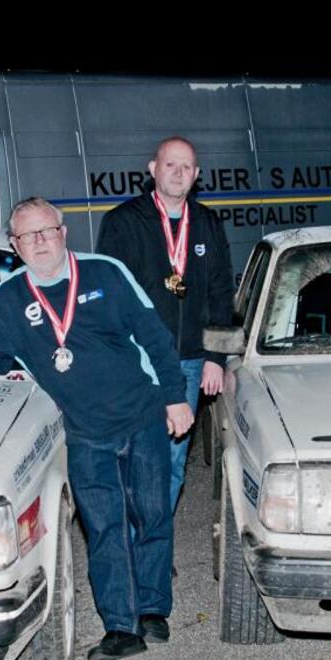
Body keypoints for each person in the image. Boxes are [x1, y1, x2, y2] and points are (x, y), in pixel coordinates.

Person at [0, 197, 193, 660]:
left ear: (63, 232)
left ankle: (154, 609)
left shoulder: (106, 273)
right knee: (104, 527)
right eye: (27, 236)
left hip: (141, 415)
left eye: (46, 231)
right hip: (82, 431)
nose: (39, 242)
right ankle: (121, 626)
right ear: (14, 246)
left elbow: (155, 336)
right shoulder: (8, 300)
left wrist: (176, 397)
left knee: (152, 514)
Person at [98, 136, 235, 514]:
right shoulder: (122, 223)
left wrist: (215, 357)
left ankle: (155, 548)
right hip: (139, 365)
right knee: (135, 459)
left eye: (186, 166)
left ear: (197, 175)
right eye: (170, 164)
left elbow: (222, 294)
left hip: (191, 364)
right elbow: (110, 299)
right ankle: (132, 546)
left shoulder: (207, 223)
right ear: (152, 169)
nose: (178, 173)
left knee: (172, 463)